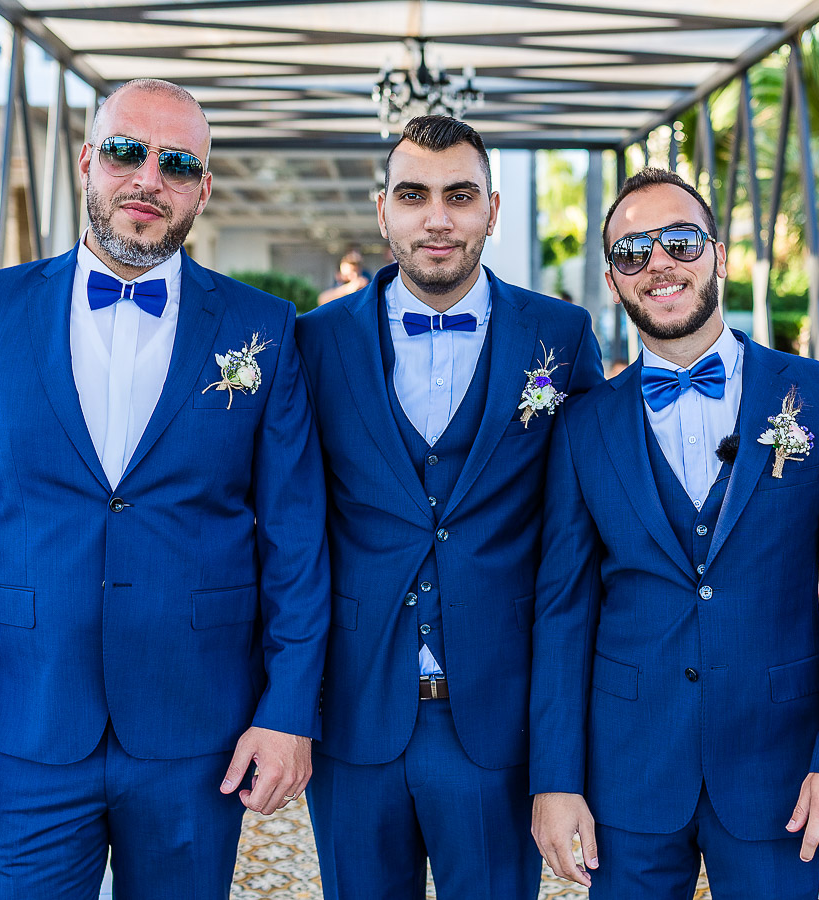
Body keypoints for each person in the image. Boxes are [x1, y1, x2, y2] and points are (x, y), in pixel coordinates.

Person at [0, 78, 330, 898]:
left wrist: (287, 711)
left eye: (176, 164)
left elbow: (295, 540)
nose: (147, 179)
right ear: (90, 161)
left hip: (196, 730)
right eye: (128, 152)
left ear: (202, 188)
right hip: (18, 728)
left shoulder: (261, 328)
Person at [529, 168, 819, 899]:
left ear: (720, 257)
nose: (659, 262)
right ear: (613, 279)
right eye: (633, 251)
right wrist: (555, 780)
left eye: (681, 241)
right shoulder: (581, 425)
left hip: (783, 770)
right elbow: (563, 611)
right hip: (628, 771)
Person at [295, 115, 604, 900]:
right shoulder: (315, 341)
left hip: (499, 724)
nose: (438, 217)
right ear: (383, 210)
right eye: (415, 195)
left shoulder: (561, 336)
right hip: (356, 716)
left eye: (460, 196)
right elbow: (290, 530)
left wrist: (566, 747)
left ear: (492, 211)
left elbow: (586, 532)